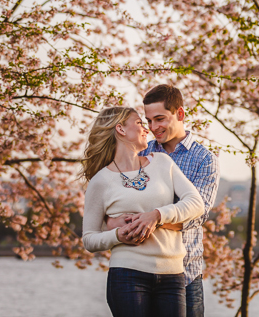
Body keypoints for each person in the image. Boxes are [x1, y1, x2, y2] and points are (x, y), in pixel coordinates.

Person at [80, 106, 205, 317]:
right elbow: (89, 239)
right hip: (128, 276)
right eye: (139, 123)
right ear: (120, 129)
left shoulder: (163, 163)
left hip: (172, 276)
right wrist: (117, 235)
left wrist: (156, 215)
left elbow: (196, 203)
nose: (147, 129)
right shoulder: (101, 181)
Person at [133, 84, 220, 317]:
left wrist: (153, 218)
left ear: (180, 114)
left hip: (185, 273)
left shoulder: (205, 160)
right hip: (142, 269)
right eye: (149, 121)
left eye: (159, 119)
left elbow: (197, 217)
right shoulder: (141, 155)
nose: (153, 127)